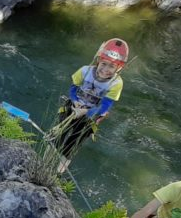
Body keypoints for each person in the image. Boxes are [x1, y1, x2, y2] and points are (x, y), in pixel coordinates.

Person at [52, 38, 129, 171]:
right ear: (98, 60)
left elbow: (105, 105)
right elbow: (73, 88)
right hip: (74, 105)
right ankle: (47, 160)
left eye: (112, 66)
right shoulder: (84, 71)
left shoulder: (116, 83)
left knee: (73, 143)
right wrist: (74, 100)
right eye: (103, 64)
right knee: (59, 134)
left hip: (92, 114)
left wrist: (86, 112)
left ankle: (58, 171)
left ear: (119, 67)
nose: (105, 69)